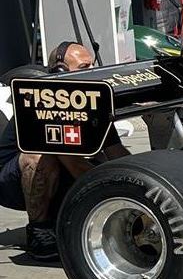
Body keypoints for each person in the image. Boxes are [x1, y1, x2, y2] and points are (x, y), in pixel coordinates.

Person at [0, 42, 129, 260]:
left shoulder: (91, 100)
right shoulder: (44, 101)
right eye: (84, 67)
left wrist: (143, 181)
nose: (92, 71)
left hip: (59, 175)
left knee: (104, 161)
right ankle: (39, 230)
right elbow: (71, 161)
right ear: (60, 71)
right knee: (40, 155)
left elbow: (116, 152)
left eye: (92, 65)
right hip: (15, 181)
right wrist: (112, 192)